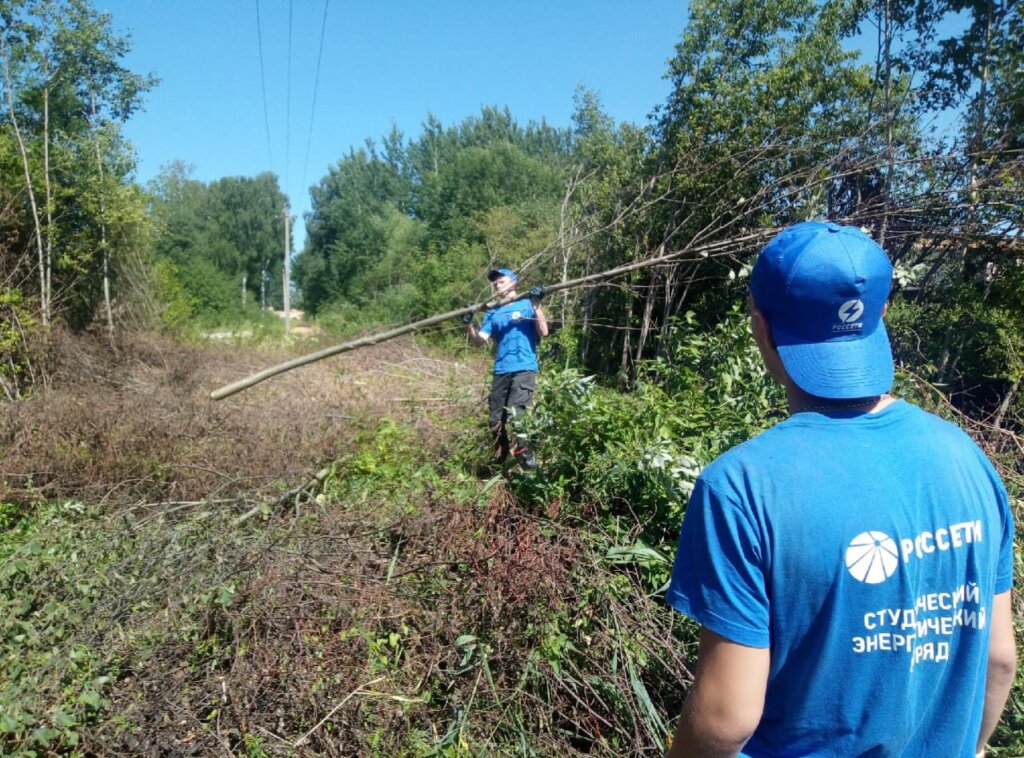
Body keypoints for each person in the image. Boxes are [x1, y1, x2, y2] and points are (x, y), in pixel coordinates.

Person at [665, 221, 1016, 757]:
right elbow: (998, 660)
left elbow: (725, 718)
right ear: (879, 317)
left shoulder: (741, 487)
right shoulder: (967, 458)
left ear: (761, 328)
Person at [464, 267, 548, 469]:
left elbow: (544, 331)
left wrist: (536, 305)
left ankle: (525, 454)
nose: (496, 284)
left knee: (517, 412)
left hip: (524, 367)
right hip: (501, 369)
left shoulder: (527, 304)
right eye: (495, 283)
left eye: (501, 281)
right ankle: (502, 460)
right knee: (495, 420)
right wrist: (468, 324)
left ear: (513, 283)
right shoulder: (493, 312)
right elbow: (479, 341)